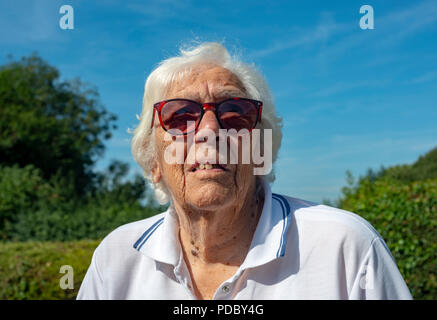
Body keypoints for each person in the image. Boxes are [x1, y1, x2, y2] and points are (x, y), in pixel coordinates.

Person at [77, 42, 412, 300]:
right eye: (180, 117)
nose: (209, 130)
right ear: (153, 163)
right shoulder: (116, 258)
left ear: (262, 150)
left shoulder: (345, 247)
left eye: (235, 113)